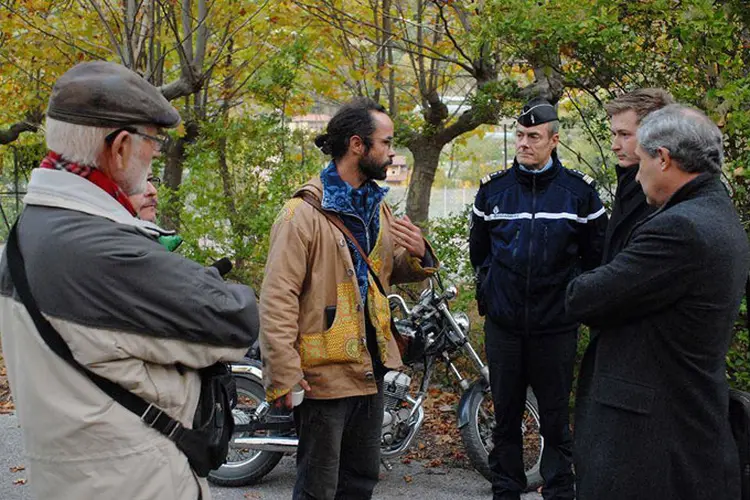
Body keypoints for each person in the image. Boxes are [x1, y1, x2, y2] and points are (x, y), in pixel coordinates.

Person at [0, 61, 259, 500]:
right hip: (135, 480)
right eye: (152, 142)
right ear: (120, 147)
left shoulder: (33, 231)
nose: (155, 155)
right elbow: (236, 319)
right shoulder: (101, 251)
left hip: (76, 476)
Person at [259, 97, 438, 500]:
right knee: (319, 487)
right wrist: (285, 373)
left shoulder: (378, 207)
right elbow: (277, 298)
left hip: (370, 367)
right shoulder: (300, 214)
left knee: (360, 481)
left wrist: (421, 253)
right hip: (324, 375)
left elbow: (390, 270)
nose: (391, 152)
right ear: (358, 145)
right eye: (385, 142)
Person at [567, 104, 747, 500]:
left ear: (663, 159)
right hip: (678, 423)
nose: (636, 171)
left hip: (651, 441)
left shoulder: (680, 229)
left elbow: (585, 298)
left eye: (642, 160)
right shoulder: (714, 213)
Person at [469, 97, 607, 500]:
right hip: (505, 327)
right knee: (505, 419)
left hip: (556, 327)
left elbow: (596, 257)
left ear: (554, 140)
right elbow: (480, 253)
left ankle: (560, 490)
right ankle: (506, 489)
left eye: (534, 136)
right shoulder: (493, 190)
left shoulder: (578, 193)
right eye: (520, 135)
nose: (524, 143)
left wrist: (571, 299)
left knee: (554, 420)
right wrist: (490, 295)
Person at [602, 88, 674, 263]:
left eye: (624, 135)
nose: (614, 145)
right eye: (614, 134)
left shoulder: (666, 190)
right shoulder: (628, 180)